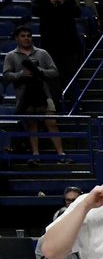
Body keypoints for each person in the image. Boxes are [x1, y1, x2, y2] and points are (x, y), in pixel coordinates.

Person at [3, 25, 66, 160]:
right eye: (23, 36)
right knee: (32, 124)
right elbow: (6, 75)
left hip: (44, 93)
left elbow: (54, 72)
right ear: (17, 38)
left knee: (51, 122)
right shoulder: (11, 56)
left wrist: (39, 71)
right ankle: (35, 154)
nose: (26, 38)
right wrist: (21, 74)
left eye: (28, 36)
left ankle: (61, 154)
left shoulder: (42, 53)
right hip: (24, 95)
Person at [33, 0, 82, 92]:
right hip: (50, 47)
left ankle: (74, 101)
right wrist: (50, 3)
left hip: (69, 46)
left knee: (71, 76)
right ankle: (55, 103)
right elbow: (36, 11)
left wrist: (63, 3)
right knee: (52, 77)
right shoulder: (41, 0)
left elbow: (77, 13)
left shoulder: (68, 0)